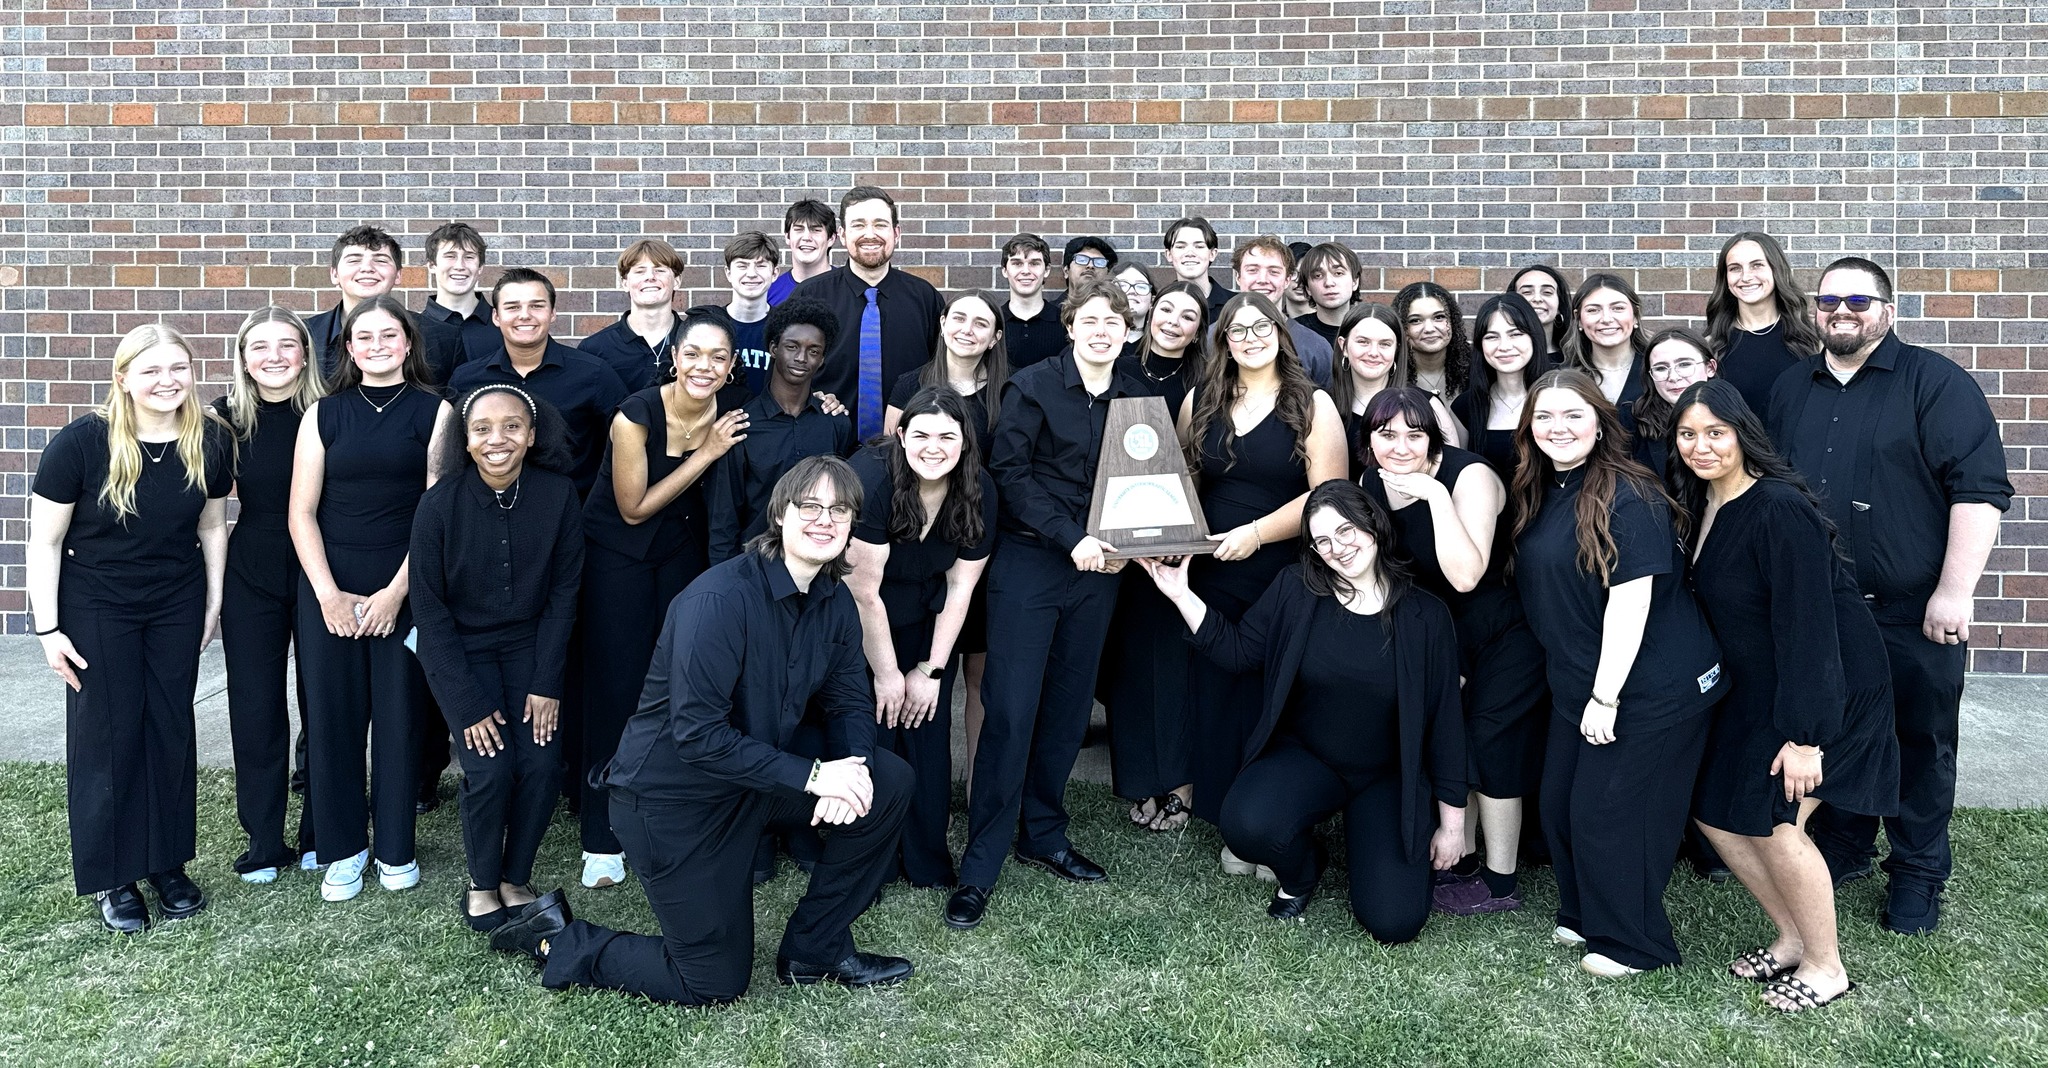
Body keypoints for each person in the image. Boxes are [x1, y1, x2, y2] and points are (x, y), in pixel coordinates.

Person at [490, 456, 915, 1004]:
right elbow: (697, 736)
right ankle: (557, 938)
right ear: (780, 514)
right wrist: (815, 777)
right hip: (673, 803)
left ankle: (816, 948)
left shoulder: (833, 599)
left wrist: (851, 770)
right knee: (712, 981)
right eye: (810, 506)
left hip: (751, 779)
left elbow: (850, 700)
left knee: (887, 781)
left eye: (839, 510)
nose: (825, 520)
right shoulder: (719, 600)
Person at [1767, 256, 2011, 935]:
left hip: (1912, 613)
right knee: (1839, 735)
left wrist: (1954, 592)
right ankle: (1846, 844)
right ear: (1815, 311)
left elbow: (1979, 491)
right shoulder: (1792, 388)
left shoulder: (1937, 383)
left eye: (1859, 300)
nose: (1842, 312)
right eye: (1829, 301)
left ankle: (1918, 871)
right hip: (1825, 613)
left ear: (1888, 310)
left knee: (1920, 744)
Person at [1138, 481, 1467, 941]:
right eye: (1322, 541)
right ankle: (1303, 871)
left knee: (1394, 923)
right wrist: (1180, 594)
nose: (1338, 548)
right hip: (1309, 758)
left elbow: (1447, 726)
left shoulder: (1425, 616)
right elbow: (1239, 652)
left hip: (1387, 776)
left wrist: (1452, 827)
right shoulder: (1297, 588)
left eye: (1346, 531)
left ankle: (1370, 846)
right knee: (1247, 825)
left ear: (1373, 524)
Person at [1669, 379, 1899, 1012]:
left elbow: (1809, 627)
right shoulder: (1702, 502)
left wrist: (1805, 738)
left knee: (1778, 821)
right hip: (1761, 684)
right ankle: (1793, 936)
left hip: (1825, 684)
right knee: (1715, 812)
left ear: (1743, 434)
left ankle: (1827, 966)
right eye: (1688, 434)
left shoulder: (1777, 506)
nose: (1701, 446)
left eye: (1716, 432)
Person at [945, 278, 1149, 931]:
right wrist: (1072, 537)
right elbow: (1011, 474)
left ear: (1126, 332)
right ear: (1070, 327)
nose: (1101, 332)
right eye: (1090, 320)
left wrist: (1131, 544)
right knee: (1010, 710)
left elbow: (1147, 486)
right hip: (1032, 564)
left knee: (1067, 706)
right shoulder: (1031, 387)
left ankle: (1043, 833)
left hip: (1100, 572)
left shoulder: (1136, 401)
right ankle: (981, 862)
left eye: (1113, 323)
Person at [1510, 368, 1726, 975]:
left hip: (1648, 685)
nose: (1558, 428)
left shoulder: (1630, 493)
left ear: (1601, 424)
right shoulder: (1542, 486)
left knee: (1612, 813)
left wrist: (1606, 697)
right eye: (1544, 417)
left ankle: (1635, 944)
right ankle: (1585, 913)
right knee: (1559, 805)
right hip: (1577, 682)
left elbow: (1631, 603)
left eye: (1573, 415)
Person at [29, 324, 233, 933]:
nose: (167, 381)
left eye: (178, 368)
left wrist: (212, 602)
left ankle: (166, 863)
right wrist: (48, 630)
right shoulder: (82, 443)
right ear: (122, 378)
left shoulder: (209, 440)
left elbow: (212, 526)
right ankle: (113, 875)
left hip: (175, 600)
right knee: (108, 734)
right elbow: (44, 541)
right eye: (151, 370)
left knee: (170, 726)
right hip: (97, 604)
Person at [1354, 389, 1547, 916]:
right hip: (1445, 636)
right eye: (1386, 435)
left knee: (1489, 739)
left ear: (1434, 439)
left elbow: (1465, 576)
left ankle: (1501, 882)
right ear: (1369, 439)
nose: (1399, 447)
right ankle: (1464, 859)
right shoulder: (1371, 483)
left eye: (1414, 435)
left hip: (1507, 628)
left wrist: (1435, 496)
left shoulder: (1471, 476)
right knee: (1450, 737)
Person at [575, 312, 750, 891]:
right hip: (616, 558)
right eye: (693, 353)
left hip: (682, 554)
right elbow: (632, 508)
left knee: (678, 687)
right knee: (616, 689)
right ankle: (601, 838)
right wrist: (707, 452)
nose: (705, 366)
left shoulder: (733, 411)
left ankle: (666, 817)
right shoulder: (635, 413)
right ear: (674, 358)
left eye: (718, 357)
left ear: (732, 365)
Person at [288, 295, 453, 903]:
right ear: (349, 350)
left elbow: (435, 512)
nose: (378, 345)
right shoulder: (323, 415)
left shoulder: (436, 412)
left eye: (390, 335)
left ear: (408, 344)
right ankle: (342, 849)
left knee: (400, 718)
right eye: (365, 337)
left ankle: (395, 847)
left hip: (406, 582)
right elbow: (301, 513)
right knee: (332, 718)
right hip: (329, 585)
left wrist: (393, 595)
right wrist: (328, 595)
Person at [1178, 291, 1348, 876]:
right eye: (1237, 330)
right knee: (1220, 691)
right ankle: (1230, 818)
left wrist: (1255, 534)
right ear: (1223, 342)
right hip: (1212, 569)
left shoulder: (1312, 404)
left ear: (1280, 333)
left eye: (1261, 327)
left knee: (1275, 696)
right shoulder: (1200, 400)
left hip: (1282, 571)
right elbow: (1181, 481)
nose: (1250, 339)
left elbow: (1328, 496)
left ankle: (1272, 820)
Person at [411, 385, 585, 931]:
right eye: (481, 429)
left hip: (533, 648)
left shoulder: (558, 496)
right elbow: (429, 613)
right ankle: (483, 883)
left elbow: (565, 594)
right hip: (462, 652)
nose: (497, 439)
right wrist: (466, 704)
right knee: (489, 769)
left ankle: (515, 878)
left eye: (512, 426)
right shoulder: (438, 505)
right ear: (464, 441)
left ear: (532, 436)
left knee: (541, 763)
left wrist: (547, 682)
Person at [847, 388, 998, 887]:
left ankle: (925, 859)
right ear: (901, 435)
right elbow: (864, 593)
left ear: (965, 442)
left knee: (926, 728)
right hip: (864, 622)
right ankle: (871, 857)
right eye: (922, 435)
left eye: (947, 437)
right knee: (877, 726)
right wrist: (888, 674)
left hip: (930, 617)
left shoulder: (979, 488)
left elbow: (962, 585)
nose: (934, 448)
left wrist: (931, 671)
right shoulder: (872, 478)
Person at [212, 307, 324, 883]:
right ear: (243, 357)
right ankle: (263, 839)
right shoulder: (221, 420)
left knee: (323, 701)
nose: (274, 356)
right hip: (251, 569)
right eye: (260, 346)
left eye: (287, 344)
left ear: (305, 353)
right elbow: (207, 513)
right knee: (255, 705)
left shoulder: (330, 411)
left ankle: (321, 831)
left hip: (320, 567)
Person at [1099, 279, 1211, 831]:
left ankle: (1181, 781)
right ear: (1149, 313)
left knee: (1174, 663)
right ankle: (1140, 777)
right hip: (1115, 541)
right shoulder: (1118, 369)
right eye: (1166, 308)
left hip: (1176, 546)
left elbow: (1197, 463)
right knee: (1128, 663)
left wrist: (1177, 536)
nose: (1173, 320)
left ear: (1199, 330)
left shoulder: (1206, 381)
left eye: (1188, 316)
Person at [449, 268, 629, 497]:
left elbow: (626, 445)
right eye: (512, 307)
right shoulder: (467, 379)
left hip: (575, 509)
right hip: (489, 510)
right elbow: (455, 453)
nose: (525, 315)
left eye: (536, 306)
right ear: (496, 317)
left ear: (552, 313)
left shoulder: (594, 374)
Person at [791, 185, 945, 438]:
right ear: (842, 235)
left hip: (906, 447)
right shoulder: (809, 297)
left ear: (896, 233)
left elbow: (943, 373)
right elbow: (784, 374)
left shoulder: (925, 299)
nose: (870, 234)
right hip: (824, 442)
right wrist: (808, 396)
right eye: (858, 225)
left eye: (880, 224)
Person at [707, 298, 855, 561]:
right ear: (774, 349)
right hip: (755, 564)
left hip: (820, 563)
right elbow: (724, 520)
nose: (801, 358)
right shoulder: (742, 425)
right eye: (792, 346)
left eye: (813, 351)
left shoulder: (835, 422)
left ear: (822, 359)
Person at [304, 224, 466, 386]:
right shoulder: (305, 335)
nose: (367, 268)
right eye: (354, 260)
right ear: (334, 274)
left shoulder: (444, 338)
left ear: (398, 275)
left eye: (380, 260)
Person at [1704, 231, 1820, 414]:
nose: (1746, 277)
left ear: (1776, 269)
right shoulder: (1712, 345)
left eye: (1756, 265)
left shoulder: (1813, 337)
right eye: (1735, 268)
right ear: (1725, 278)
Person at [575, 239, 702, 394]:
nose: (650, 277)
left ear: (676, 281)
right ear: (624, 283)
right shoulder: (595, 348)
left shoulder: (699, 342)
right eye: (640, 271)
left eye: (659, 270)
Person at [1451, 292, 1544, 476]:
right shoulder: (1465, 407)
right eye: (1492, 337)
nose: (1504, 346)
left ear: (1534, 337)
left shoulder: (1561, 395)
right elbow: (1458, 474)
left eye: (1515, 334)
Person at [1230, 236, 1333, 386]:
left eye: (1274, 272)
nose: (1262, 279)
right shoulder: (1213, 338)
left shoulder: (1315, 346)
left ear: (1287, 280)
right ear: (1238, 277)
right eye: (1252, 270)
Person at [1328, 303, 1414, 476]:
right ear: (1343, 346)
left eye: (1385, 344)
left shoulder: (1425, 404)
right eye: (1363, 342)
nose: (1374, 352)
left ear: (1397, 350)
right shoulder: (1323, 406)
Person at [1630, 327, 1717, 477]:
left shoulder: (1731, 415)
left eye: (1684, 364)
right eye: (1661, 368)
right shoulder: (1632, 422)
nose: (1673, 377)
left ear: (1710, 368)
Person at [1563, 272, 1650, 408]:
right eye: (1593, 310)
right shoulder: (1563, 378)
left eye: (1618, 308)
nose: (1606, 319)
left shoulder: (1658, 369)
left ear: (1635, 315)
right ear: (1578, 319)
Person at [420, 221, 501, 363]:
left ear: (480, 267)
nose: (460, 266)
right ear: (432, 265)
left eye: (469, 257)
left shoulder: (504, 326)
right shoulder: (414, 330)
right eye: (450, 256)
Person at [1393, 281, 1473, 423]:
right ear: (1402, 327)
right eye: (1415, 320)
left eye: (1439, 317)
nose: (1429, 329)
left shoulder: (1476, 369)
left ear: (1452, 321)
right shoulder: (1391, 375)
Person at [721, 230, 780, 394]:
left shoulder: (785, 328)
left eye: (761, 265)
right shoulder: (711, 326)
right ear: (728, 273)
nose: (752, 274)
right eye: (742, 265)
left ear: (775, 273)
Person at [997, 233, 1066, 371]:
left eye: (1034, 264)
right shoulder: (993, 322)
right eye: (1017, 263)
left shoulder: (1066, 322)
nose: (1026, 271)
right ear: (1004, 270)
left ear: (1046, 270)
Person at [767, 198, 837, 306]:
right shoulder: (770, 291)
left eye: (816, 230)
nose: (806, 237)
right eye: (798, 229)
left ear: (831, 239)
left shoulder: (847, 289)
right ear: (787, 237)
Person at [1295, 242, 1362, 349]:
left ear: (1355, 281)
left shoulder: (1373, 329)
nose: (1329, 283)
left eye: (1338, 273)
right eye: (1318, 275)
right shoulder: (1293, 332)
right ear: (1308, 288)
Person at [1507, 264, 1573, 364]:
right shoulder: (1501, 356)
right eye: (1527, 292)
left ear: (1559, 305)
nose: (1537, 299)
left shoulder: (1575, 360)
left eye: (1547, 292)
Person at [1110, 261, 1155, 354]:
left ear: (1152, 300)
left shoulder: (1160, 344)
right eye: (1122, 285)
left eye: (1141, 287)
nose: (1132, 291)